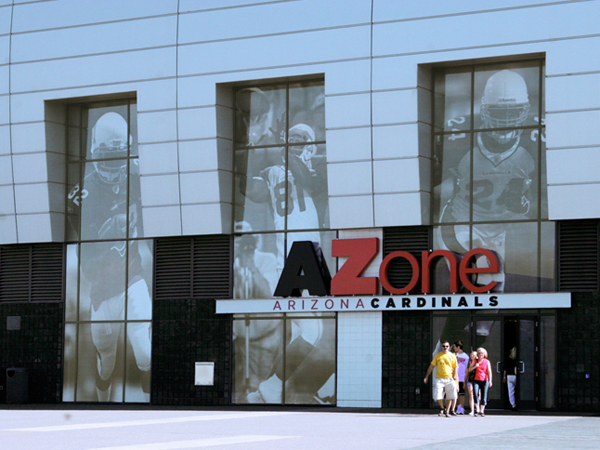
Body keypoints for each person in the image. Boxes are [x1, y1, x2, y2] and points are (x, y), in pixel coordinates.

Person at [67, 111, 151, 402]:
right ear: (95, 155)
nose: (113, 169)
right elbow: (87, 260)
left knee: (145, 350)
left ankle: (154, 406)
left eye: (119, 160)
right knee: (107, 360)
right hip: (102, 289)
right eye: (107, 160)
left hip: (132, 275)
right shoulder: (83, 194)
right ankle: (104, 405)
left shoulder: (138, 176)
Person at [435, 69, 539, 293]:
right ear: (484, 109)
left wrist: (526, 204)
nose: (506, 120)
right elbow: (429, 182)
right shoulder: (459, 136)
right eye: (499, 112)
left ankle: (472, 329)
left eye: (514, 112)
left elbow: (547, 195)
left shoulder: (536, 139)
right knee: (484, 276)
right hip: (460, 222)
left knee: (490, 304)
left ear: (525, 110)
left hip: (502, 229)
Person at [424, 340, 459, 417]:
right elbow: (431, 366)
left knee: (450, 395)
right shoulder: (438, 355)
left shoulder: (452, 355)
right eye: (443, 346)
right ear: (441, 347)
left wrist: (455, 375)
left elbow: (455, 366)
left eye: (446, 346)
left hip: (449, 378)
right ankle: (442, 407)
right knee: (438, 395)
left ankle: (447, 411)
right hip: (439, 378)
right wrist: (426, 376)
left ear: (449, 347)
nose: (445, 348)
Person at [472, 347, 493, 416]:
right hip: (476, 380)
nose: (481, 354)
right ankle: (477, 409)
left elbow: (489, 371)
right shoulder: (475, 361)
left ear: (484, 354)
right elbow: (469, 369)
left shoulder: (487, 361)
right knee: (475, 394)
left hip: (484, 380)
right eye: (479, 353)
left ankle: (482, 410)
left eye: (482, 353)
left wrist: (490, 380)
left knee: (484, 395)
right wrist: (475, 366)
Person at [452, 341, 470, 414]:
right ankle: (458, 407)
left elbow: (467, 367)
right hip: (455, 376)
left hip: (462, 377)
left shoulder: (466, 356)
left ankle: (462, 408)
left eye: (454, 347)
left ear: (458, 347)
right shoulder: (453, 355)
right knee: (455, 393)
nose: (454, 348)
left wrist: (466, 377)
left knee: (462, 394)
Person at [465, 351, 478, 415]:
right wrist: (465, 382)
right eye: (471, 355)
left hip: (478, 380)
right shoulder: (469, 364)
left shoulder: (478, 362)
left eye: (473, 355)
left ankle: (478, 409)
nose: (472, 356)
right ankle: (472, 410)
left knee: (478, 395)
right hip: (470, 380)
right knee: (471, 395)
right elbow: (467, 373)